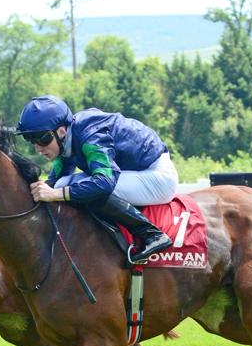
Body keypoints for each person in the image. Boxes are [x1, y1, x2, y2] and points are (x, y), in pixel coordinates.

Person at [15, 95, 175, 263]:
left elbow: (104, 183)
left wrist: (55, 194)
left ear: (61, 131)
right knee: (64, 185)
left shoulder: (90, 135)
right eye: (31, 140)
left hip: (157, 176)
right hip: (134, 172)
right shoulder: (69, 136)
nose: (38, 148)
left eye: (42, 138)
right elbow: (57, 179)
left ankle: (152, 235)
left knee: (84, 189)